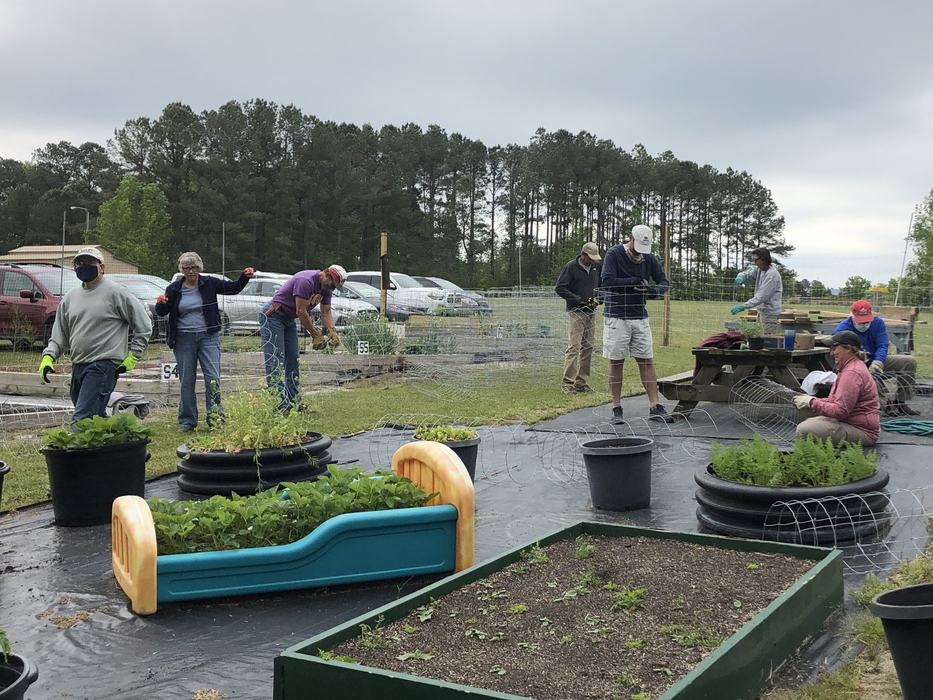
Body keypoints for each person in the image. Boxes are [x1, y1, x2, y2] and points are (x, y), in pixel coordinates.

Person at [38, 247, 152, 423]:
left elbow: (144, 326)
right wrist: (49, 357)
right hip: (78, 364)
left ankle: (76, 450)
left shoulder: (116, 293)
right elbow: (59, 334)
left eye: (90, 263)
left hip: (103, 365)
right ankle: (115, 442)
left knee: (82, 418)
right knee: (94, 417)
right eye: (79, 263)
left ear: (102, 267)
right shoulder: (70, 297)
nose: (84, 267)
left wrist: (133, 356)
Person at [155, 252, 255, 432]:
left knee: (213, 379)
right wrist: (161, 304)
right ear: (182, 270)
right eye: (187, 268)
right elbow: (162, 311)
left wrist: (244, 277)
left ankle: (216, 419)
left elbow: (233, 288)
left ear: (199, 268)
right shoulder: (174, 288)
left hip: (208, 337)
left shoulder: (209, 282)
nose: (191, 271)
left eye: (194, 267)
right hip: (183, 338)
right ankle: (187, 421)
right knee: (186, 381)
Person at [600, 224, 671, 423]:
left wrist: (654, 291)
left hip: (640, 316)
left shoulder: (649, 258)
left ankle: (655, 406)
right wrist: (633, 282)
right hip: (616, 316)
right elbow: (607, 281)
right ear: (630, 239)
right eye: (637, 248)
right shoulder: (614, 254)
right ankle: (616, 408)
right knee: (616, 362)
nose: (640, 254)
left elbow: (663, 281)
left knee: (646, 360)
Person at [259, 265, 347, 411]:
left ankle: (294, 402)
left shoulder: (326, 290)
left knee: (293, 358)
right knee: (275, 359)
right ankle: (280, 405)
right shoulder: (305, 281)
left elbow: (326, 312)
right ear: (327, 275)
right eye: (333, 284)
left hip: (288, 318)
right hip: (274, 315)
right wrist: (315, 334)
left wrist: (333, 332)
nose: (333, 289)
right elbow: (301, 311)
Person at [794, 330, 880, 446]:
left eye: (834, 348)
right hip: (850, 421)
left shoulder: (852, 373)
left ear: (848, 348)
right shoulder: (848, 367)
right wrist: (810, 401)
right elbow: (835, 401)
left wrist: (812, 402)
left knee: (804, 430)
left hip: (863, 431)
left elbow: (840, 411)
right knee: (806, 411)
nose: (831, 353)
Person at [833, 300, 918, 416]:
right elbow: (845, 356)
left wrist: (878, 362)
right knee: (870, 378)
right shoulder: (842, 330)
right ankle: (885, 405)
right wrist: (863, 368)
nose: (864, 324)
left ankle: (900, 402)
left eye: (867, 321)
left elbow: (883, 345)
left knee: (908, 361)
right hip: (856, 365)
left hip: (876, 359)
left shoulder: (878, 323)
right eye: (860, 322)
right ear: (851, 316)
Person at [555, 241, 602, 393]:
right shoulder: (571, 267)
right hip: (576, 312)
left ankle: (581, 382)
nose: (593, 261)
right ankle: (568, 384)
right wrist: (578, 299)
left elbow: (600, 287)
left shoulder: (596, 267)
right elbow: (560, 288)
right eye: (590, 257)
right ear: (583, 255)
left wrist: (599, 299)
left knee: (588, 347)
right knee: (574, 347)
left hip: (591, 312)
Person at [730, 248, 782, 333]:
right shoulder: (760, 269)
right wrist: (741, 276)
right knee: (759, 338)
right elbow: (748, 273)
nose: (754, 263)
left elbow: (761, 297)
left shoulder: (772, 275)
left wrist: (743, 306)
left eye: (756, 260)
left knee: (768, 341)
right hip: (762, 312)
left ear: (763, 260)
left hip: (770, 314)